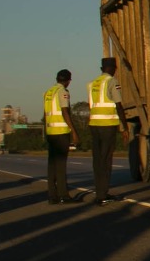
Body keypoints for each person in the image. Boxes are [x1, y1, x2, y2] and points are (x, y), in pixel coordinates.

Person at [86, 58, 128, 204]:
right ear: (112, 68)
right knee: (106, 160)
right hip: (107, 125)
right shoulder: (112, 82)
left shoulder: (92, 84)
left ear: (101, 68)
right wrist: (125, 127)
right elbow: (118, 105)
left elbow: (91, 105)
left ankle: (99, 192)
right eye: (114, 68)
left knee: (97, 161)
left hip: (94, 125)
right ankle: (102, 195)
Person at [42, 70, 80, 204]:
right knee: (61, 165)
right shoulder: (63, 91)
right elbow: (65, 112)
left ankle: (52, 196)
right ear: (68, 81)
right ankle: (64, 195)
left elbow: (46, 115)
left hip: (51, 132)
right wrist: (73, 131)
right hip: (61, 133)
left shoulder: (48, 92)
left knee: (52, 165)